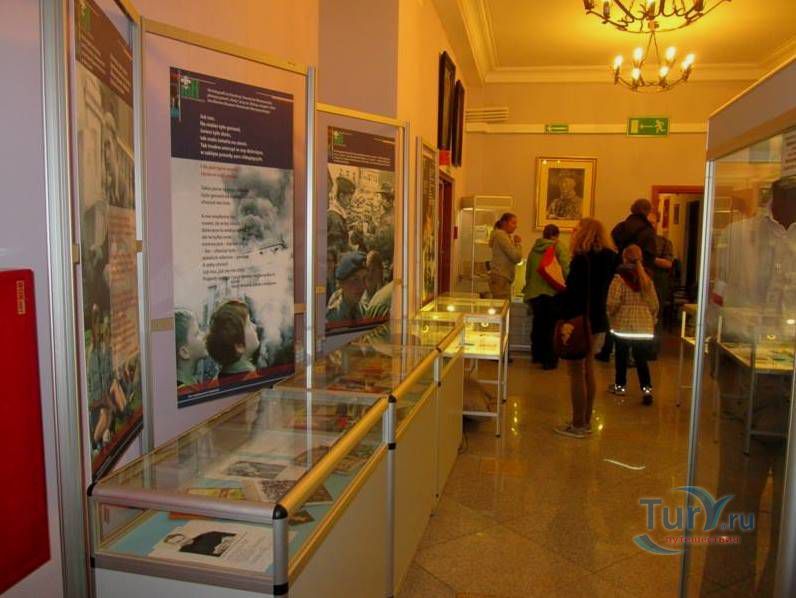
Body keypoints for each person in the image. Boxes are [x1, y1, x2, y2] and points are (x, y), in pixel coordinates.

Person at [554, 218, 617, 439]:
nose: (573, 232)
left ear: (585, 233)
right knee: (588, 370)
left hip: (579, 320)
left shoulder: (582, 260)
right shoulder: (609, 258)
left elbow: (574, 293)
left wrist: (563, 317)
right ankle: (586, 420)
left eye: (577, 229)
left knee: (575, 373)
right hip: (598, 320)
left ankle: (578, 424)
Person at [606, 244, 659, 405]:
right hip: (643, 326)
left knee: (621, 357)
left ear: (624, 258)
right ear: (640, 259)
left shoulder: (619, 279)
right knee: (641, 359)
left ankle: (620, 386)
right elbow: (654, 304)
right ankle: (646, 389)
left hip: (623, 325)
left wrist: (611, 315)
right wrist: (652, 319)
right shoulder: (647, 279)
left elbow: (612, 303)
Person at [523, 224, 570, 370]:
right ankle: (549, 360)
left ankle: (537, 355)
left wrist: (528, 290)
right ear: (556, 235)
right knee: (551, 327)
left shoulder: (534, 248)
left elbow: (528, 272)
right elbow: (566, 268)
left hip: (534, 293)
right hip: (552, 293)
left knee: (538, 324)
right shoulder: (558, 247)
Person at [206, 300, 260, 380]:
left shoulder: (216, 380)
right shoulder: (253, 380)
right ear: (239, 346)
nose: (255, 326)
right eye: (249, 324)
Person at [646, 211, 674, 357]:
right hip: (642, 282)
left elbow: (668, 263)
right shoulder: (639, 241)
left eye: (652, 222)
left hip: (658, 282)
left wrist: (650, 259)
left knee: (656, 315)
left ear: (657, 223)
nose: (650, 225)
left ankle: (653, 349)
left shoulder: (664, 242)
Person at [611, 198, 657, 269]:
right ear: (648, 212)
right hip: (639, 270)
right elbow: (650, 258)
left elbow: (611, 248)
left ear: (633, 209)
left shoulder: (620, 226)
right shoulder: (648, 230)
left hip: (619, 268)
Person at [326, 251, 368, 327]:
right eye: (355, 279)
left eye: (364, 278)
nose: (362, 286)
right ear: (341, 283)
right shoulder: (332, 318)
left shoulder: (366, 312)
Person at [488, 212, 522, 299]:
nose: (516, 226)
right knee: (503, 305)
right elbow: (516, 257)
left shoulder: (503, 235)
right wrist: (518, 244)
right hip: (501, 277)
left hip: (501, 277)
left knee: (502, 304)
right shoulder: (501, 235)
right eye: (513, 223)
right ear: (504, 223)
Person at [175, 308, 208, 388]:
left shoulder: (190, 383)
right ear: (184, 352)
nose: (204, 335)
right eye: (197, 334)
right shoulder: (184, 391)